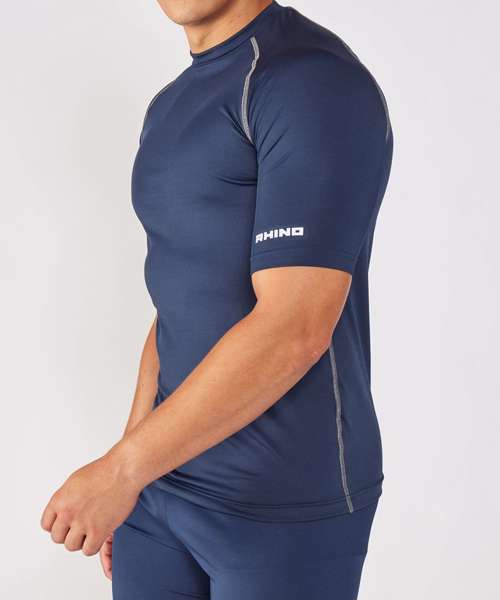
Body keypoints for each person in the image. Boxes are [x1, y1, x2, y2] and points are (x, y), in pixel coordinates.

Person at [41, 1, 393, 598]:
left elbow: (295, 327)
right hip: (161, 487)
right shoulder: (171, 104)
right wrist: (130, 468)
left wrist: (122, 471)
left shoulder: (311, 80)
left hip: (281, 502)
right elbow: (176, 303)